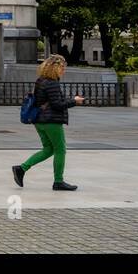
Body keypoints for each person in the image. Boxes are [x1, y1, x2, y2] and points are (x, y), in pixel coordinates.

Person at [13, 54, 84, 191]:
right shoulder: (52, 83)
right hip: (51, 121)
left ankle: (21, 169)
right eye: (62, 68)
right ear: (55, 68)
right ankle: (58, 181)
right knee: (60, 150)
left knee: (48, 149)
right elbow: (57, 104)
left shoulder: (41, 80)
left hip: (39, 121)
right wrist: (74, 101)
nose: (64, 71)